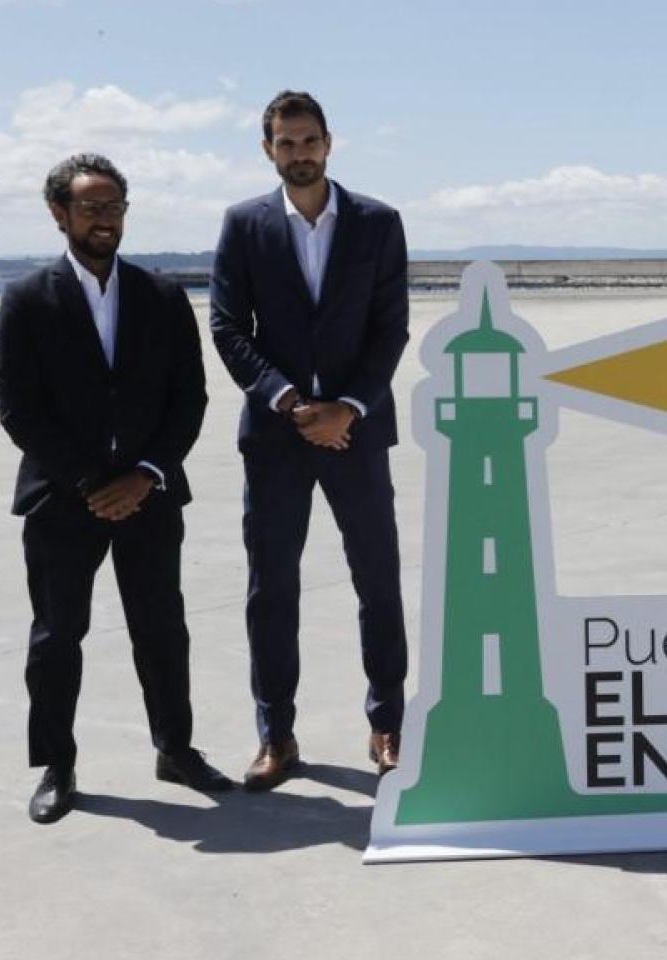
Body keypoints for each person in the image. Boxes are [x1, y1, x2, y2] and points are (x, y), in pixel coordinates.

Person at [0, 153, 233, 823]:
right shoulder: (26, 299)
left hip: (150, 498)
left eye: (115, 206)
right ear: (59, 213)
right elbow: (18, 409)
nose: (105, 219)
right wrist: (92, 482)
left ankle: (175, 748)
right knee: (56, 637)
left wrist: (145, 475)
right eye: (91, 207)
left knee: (162, 629)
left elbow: (189, 399)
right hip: (61, 501)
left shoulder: (162, 297)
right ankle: (57, 764)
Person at [209, 91, 410, 789]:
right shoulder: (244, 224)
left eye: (309, 140)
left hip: (357, 432)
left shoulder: (378, 222)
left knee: (378, 580)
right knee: (272, 589)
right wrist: (291, 402)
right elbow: (227, 327)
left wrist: (347, 408)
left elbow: (390, 327)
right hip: (277, 435)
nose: (299, 153)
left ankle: (388, 723)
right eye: (286, 142)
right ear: (268, 150)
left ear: (329, 142)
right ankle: (277, 735)